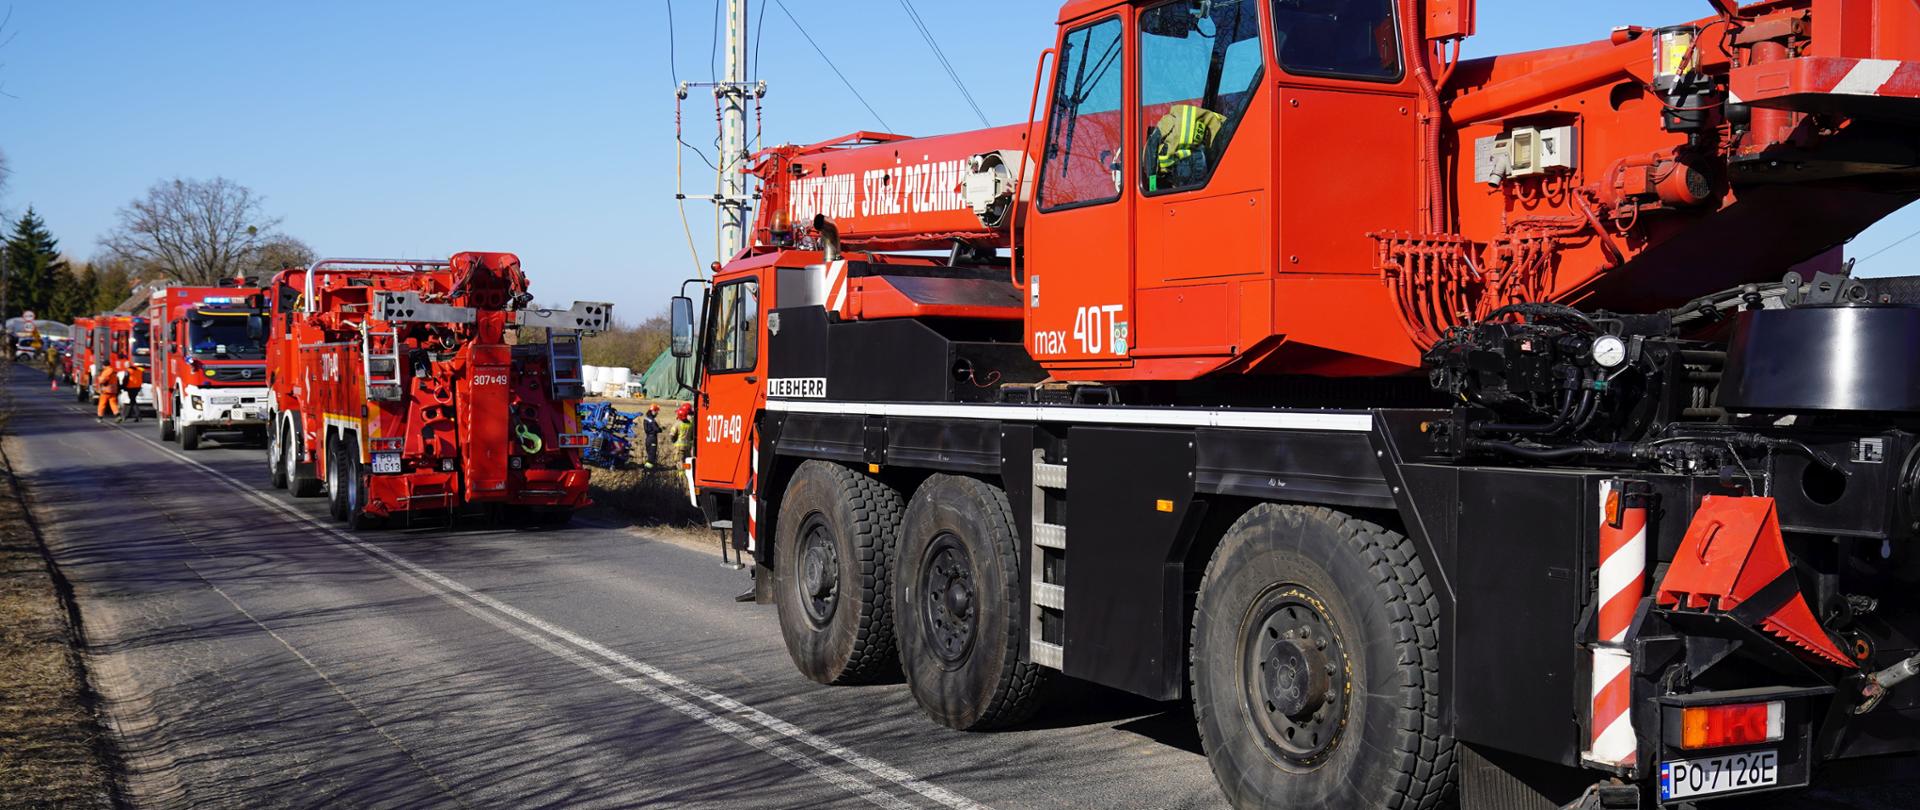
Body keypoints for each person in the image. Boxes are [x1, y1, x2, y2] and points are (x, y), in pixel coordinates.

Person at [641, 404, 663, 470]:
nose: (657, 413)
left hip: (648, 438)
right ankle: (648, 469)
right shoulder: (651, 420)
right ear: (653, 411)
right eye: (656, 411)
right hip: (652, 438)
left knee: (649, 453)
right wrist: (660, 429)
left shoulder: (646, 418)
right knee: (652, 455)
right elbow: (656, 429)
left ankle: (649, 467)